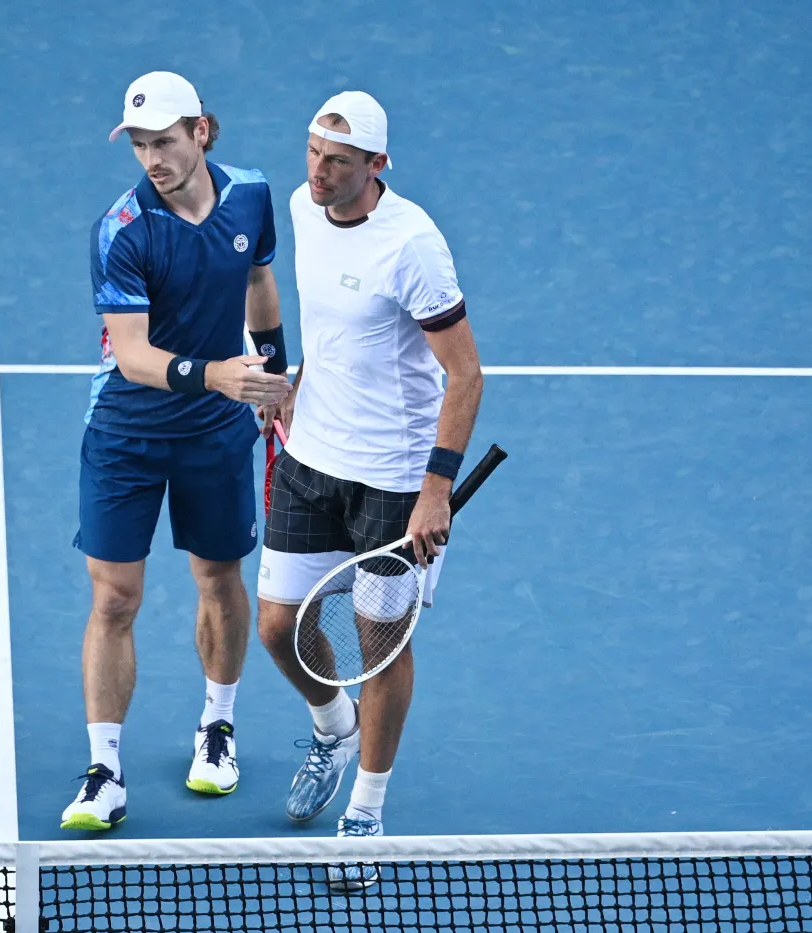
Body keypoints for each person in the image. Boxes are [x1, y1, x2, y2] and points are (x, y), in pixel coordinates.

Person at [255, 91, 484, 872]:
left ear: (377, 166)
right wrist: (293, 385)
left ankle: (366, 809)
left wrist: (435, 489)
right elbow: (328, 326)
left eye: (339, 162)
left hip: (392, 482)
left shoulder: (413, 245)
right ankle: (333, 727)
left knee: (380, 646)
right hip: (310, 458)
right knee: (278, 627)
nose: (319, 173)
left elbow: (465, 374)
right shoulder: (301, 206)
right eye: (313, 153)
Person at [60, 71, 292, 831]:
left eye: (163, 141)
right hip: (128, 432)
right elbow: (131, 356)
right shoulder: (122, 229)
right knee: (115, 597)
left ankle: (216, 727)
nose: (151, 158)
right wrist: (220, 375)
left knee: (219, 575)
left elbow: (260, 281)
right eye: (138, 144)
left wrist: (274, 370)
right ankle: (104, 771)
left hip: (217, 429)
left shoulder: (251, 195)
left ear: (203, 131)